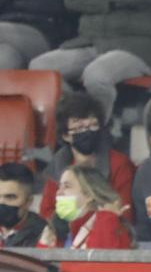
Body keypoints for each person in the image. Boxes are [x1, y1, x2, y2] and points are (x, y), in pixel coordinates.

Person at [32, 92, 132, 224]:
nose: (87, 132)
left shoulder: (119, 164)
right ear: (66, 136)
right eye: (79, 128)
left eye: (93, 125)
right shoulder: (58, 166)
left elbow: (125, 213)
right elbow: (47, 213)